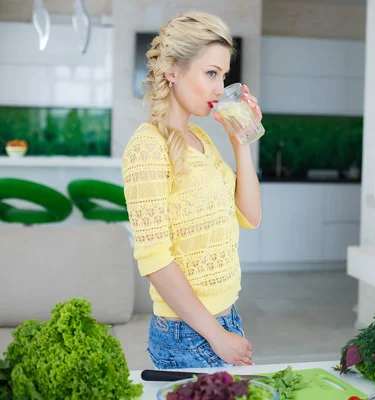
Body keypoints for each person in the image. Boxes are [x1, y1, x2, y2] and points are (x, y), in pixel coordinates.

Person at [121, 11, 262, 369]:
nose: (220, 88)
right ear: (173, 70)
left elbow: (250, 216)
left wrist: (241, 141)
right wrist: (217, 337)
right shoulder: (147, 147)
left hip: (226, 321)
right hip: (188, 336)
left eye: (224, 75)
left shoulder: (200, 139)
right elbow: (154, 260)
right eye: (211, 73)